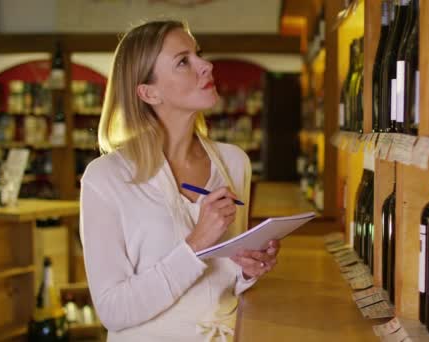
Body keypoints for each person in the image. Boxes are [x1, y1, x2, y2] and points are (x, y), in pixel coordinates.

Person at [80, 20, 280, 341]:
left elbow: (223, 280)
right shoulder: (105, 178)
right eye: (184, 61)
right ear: (148, 92)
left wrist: (247, 269)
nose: (206, 65)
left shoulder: (234, 162)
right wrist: (196, 243)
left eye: (198, 54)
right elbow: (113, 311)